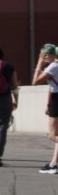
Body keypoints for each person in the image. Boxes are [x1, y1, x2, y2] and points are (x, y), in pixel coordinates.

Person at [31, 43, 58, 173]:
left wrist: (38, 65)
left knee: (52, 135)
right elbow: (51, 87)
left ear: (50, 54)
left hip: (57, 100)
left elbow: (35, 82)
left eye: (43, 55)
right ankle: (54, 164)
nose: (43, 57)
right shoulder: (54, 66)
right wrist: (48, 104)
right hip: (54, 98)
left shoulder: (53, 66)